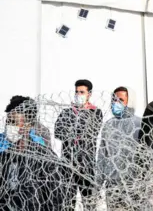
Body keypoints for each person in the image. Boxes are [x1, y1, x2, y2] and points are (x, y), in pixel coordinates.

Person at [1, 97, 67, 210]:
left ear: (28, 125)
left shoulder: (44, 156)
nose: (9, 126)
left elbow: (55, 196)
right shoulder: (4, 154)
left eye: (14, 122)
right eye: (8, 122)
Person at [54, 79, 103, 210]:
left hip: (86, 164)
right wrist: (74, 130)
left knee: (89, 202)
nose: (78, 95)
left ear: (89, 94)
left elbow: (90, 132)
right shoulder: (66, 112)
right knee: (67, 202)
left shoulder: (96, 112)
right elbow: (58, 132)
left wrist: (71, 127)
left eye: (82, 92)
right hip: (67, 163)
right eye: (76, 92)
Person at [97, 86, 141, 210]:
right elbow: (102, 154)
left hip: (133, 184)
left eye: (120, 100)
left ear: (130, 102)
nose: (116, 103)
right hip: (112, 184)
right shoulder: (109, 125)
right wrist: (98, 182)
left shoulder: (139, 124)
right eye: (114, 100)